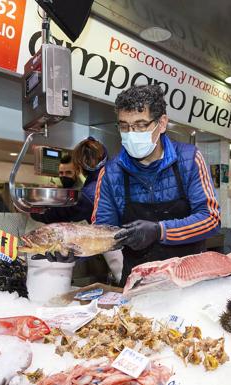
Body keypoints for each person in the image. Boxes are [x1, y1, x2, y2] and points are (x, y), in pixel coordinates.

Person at [92, 84, 220, 285]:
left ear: (162, 123)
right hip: (139, 284)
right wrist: (76, 247)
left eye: (141, 125)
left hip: (189, 283)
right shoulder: (110, 173)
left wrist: (160, 231)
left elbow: (210, 219)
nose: (131, 133)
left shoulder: (189, 159)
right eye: (124, 126)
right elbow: (103, 232)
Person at [31, 137, 107, 225]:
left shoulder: (86, 194)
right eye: (61, 173)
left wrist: (33, 211)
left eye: (68, 172)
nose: (64, 176)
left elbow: (59, 215)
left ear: (78, 169)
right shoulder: (103, 180)